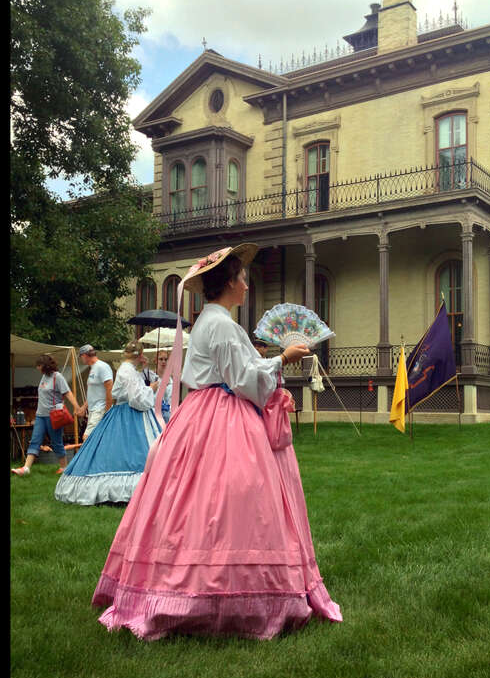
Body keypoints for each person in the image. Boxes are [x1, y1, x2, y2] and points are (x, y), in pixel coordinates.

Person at [92, 243, 342, 641]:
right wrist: (284, 360)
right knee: (237, 496)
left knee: (193, 498)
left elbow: (238, 369)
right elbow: (243, 380)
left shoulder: (209, 322)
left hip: (201, 414)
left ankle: (182, 584)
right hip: (224, 417)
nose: (246, 284)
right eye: (242, 277)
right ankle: (222, 595)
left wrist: (273, 359)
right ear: (229, 282)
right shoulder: (223, 324)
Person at [54, 341, 162, 505]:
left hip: (128, 413)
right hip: (130, 415)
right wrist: (151, 388)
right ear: (139, 355)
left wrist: (143, 370)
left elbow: (135, 388)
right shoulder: (127, 370)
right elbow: (137, 399)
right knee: (129, 454)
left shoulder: (130, 369)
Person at [11, 355, 82, 477]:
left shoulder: (57, 377)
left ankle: (64, 467)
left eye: (39, 365)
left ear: (45, 366)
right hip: (40, 416)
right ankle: (26, 468)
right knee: (35, 440)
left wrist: (77, 407)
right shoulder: (44, 377)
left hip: (53, 416)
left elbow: (67, 392)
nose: (37, 368)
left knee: (56, 442)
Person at [77, 344, 114, 440]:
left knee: (87, 438)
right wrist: (84, 407)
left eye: (81, 357)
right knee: (98, 440)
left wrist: (108, 411)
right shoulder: (93, 368)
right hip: (93, 410)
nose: (81, 359)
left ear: (84, 356)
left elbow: (110, 389)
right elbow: (92, 393)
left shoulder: (102, 367)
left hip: (100, 409)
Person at [153, 350, 173, 424]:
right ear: (156, 361)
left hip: (169, 416)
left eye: (166, 359)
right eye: (161, 359)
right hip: (155, 414)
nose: (163, 361)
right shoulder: (152, 378)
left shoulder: (171, 380)